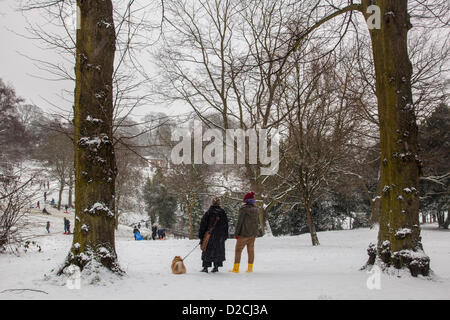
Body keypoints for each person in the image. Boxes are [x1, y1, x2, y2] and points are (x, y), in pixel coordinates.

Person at [229, 191, 259, 273]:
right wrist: (255, 233)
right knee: (251, 251)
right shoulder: (256, 209)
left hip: (243, 234)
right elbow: (256, 222)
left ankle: (236, 269)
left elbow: (240, 222)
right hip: (252, 234)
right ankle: (250, 268)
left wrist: (236, 234)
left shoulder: (243, 209)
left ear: (246, 200)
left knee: (238, 250)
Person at [199, 197, 229, 273]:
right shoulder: (222, 212)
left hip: (209, 236)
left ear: (212, 203)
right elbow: (226, 225)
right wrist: (224, 236)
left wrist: (201, 236)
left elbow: (203, 225)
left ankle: (205, 267)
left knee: (207, 251)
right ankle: (216, 267)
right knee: (218, 251)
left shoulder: (208, 212)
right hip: (219, 236)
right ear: (219, 203)